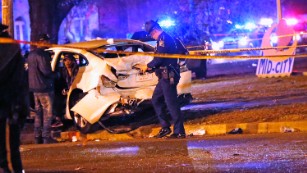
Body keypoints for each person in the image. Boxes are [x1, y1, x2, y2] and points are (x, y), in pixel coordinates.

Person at [136, 20, 186, 138]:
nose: (151, 36)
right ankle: (165, 127)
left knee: (171, 104)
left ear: (155, 31)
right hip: (164, 76)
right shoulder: (162, 39)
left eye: (151, 34)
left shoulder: (164, 39)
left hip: (168, 76)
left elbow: (160, 59)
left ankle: (179, 131)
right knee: (156, 100)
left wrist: (147, 66)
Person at [0, 23, 28, 173]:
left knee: (7, 146)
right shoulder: (13, 48)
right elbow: (20, 80)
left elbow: (15, 80)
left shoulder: (8, 49)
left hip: (8, 104)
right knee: (12, 145)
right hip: (13, 104)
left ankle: (7, 168)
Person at [27, 33, 57, 144]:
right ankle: (46, 136)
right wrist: (56, 75)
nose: (49, 43)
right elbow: (46, 72)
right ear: (43, 41)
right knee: (48, 113)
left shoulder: (30, 55)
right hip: (44, 88)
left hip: (34, 88)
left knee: (38, 113)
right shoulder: (43, 55)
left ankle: (37, 135)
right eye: (47, 41)